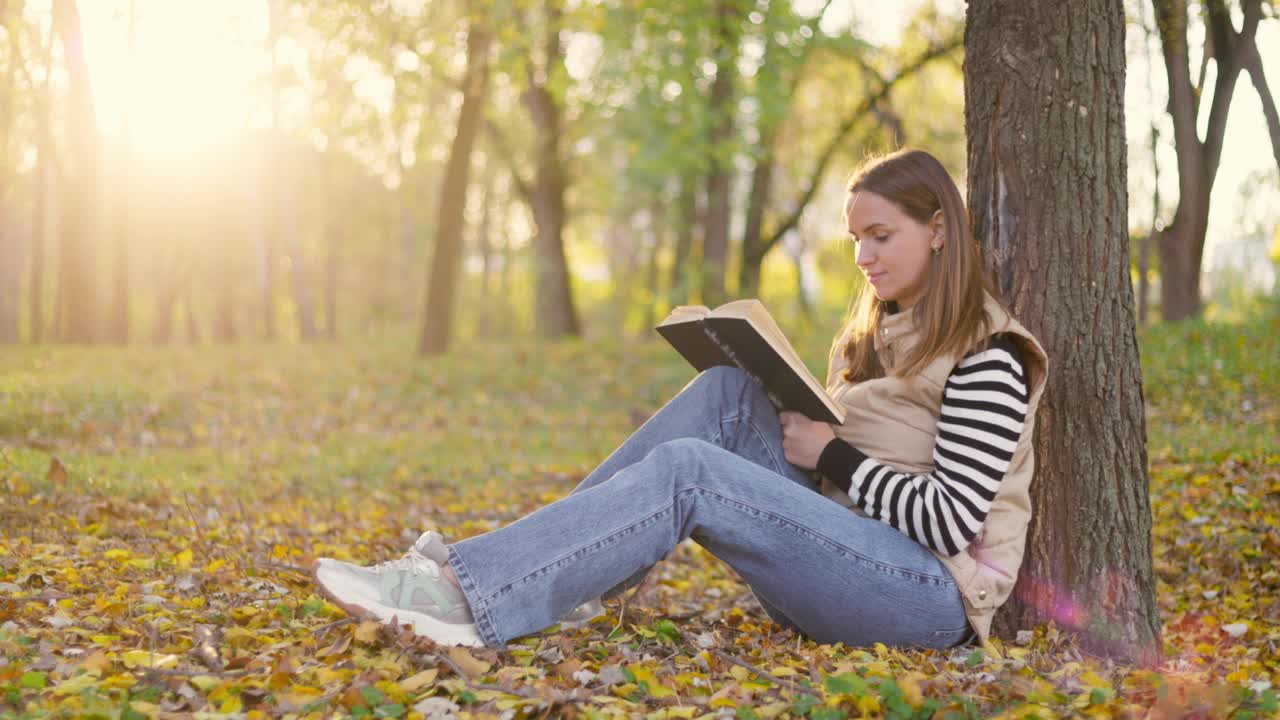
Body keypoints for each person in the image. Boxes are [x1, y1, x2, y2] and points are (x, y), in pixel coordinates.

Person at [312, 148, 1049, 650]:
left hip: (924, 596)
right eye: (856, 239)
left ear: (940, 228)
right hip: (844, 556)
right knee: (728, 390)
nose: (863, 258)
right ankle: (551, 582)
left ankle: (466, 597)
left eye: (881, 236)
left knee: (690, 471)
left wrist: (834, 455)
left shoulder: (986, 357)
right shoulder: (880, 334)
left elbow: (952, 522)